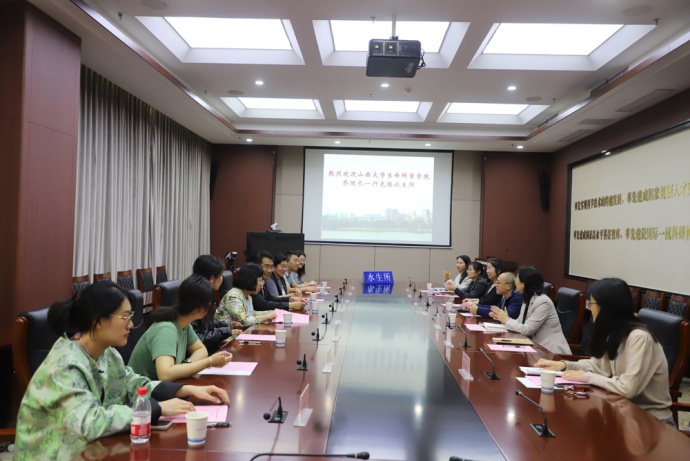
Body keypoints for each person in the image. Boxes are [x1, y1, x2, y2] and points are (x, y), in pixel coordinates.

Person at [13, 281, 229, 461]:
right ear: (99, 321)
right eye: (125, 317)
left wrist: (184, 390)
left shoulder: (107, 353)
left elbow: (132, 385)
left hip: (97, 450)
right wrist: (157, 408)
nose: (131, 324)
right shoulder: (65, 366)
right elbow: (89, 423)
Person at [535, 278, 674, 426]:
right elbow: (598, 365)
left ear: (607, 307)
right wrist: (564, 365)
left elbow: (628, 388)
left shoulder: (640, 338)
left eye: (592, 304)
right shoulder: (615, 333)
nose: (590, 310)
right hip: (622, 412)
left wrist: (586, 377)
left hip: (650, 421)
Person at [129, 275, 233, 381]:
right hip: (141, 390)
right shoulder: (166, 329)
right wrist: (209, 361)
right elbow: (165, 375)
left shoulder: (184, 324)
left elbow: (201, 350)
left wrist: (185, 366)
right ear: (202, 309)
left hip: (162, 387)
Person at [489, 265, 570, 354]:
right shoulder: (527, 298)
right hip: (533, 347)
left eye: (516, 279)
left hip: (550, 351)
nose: (515, 282)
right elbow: (520, 322)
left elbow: (527, 330)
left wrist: (507, 320)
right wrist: (503, 318)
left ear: (524, 283)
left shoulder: (543, 302)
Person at [190, 255, 244, 353]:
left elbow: (206, 324)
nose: (222, 279)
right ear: (212, 278)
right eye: (220, 275)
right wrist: (225, 332)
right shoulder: (196, 298)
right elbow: (197, 337)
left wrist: (227, 325)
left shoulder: (204, 294)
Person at [216, 262, 277, 326]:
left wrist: (269, 312)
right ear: (250, 280)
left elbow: (251, 314)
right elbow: (243, 321)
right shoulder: (234, 296)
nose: (261, 284)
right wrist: (266, 316)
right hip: (228, 331)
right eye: (259, 280)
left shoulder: (248, 296)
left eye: (262, 280)